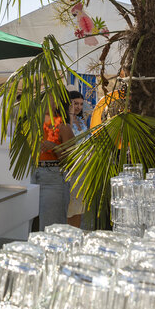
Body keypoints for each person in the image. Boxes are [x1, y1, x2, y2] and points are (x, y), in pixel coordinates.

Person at [31, 90, 75, 229]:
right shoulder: (33, 125)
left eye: (50, 98)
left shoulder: (63, 127)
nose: (44, 101)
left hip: (53, 178)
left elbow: (71, 160)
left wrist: (54, 147)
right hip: (31, 175)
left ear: (57, 103)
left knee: (50, 229)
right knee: (31, 228)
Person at [66, 90, 88, 228]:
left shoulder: (81, 120)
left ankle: (76, 232)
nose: (78, 107)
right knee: (70, 206)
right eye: (75, 103)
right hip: (71, 167)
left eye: (81, 104)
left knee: (80, 205)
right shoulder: (64, 122)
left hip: (83, 167)